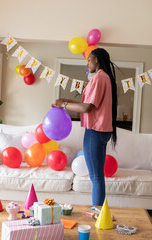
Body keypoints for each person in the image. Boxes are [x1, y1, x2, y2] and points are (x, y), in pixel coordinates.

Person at [52, 48, 117, 206]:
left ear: (97, 61)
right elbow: (87, 104)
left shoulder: (99, 78)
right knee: (98, 176)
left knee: (95, 177)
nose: (87, 64)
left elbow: (87, 108)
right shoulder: (105, 78)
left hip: (95, 131)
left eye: (89, 60)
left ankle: (97, 212)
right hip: (102, 131)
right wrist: (64, 101)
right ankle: (99, 212)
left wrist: (65, 104)